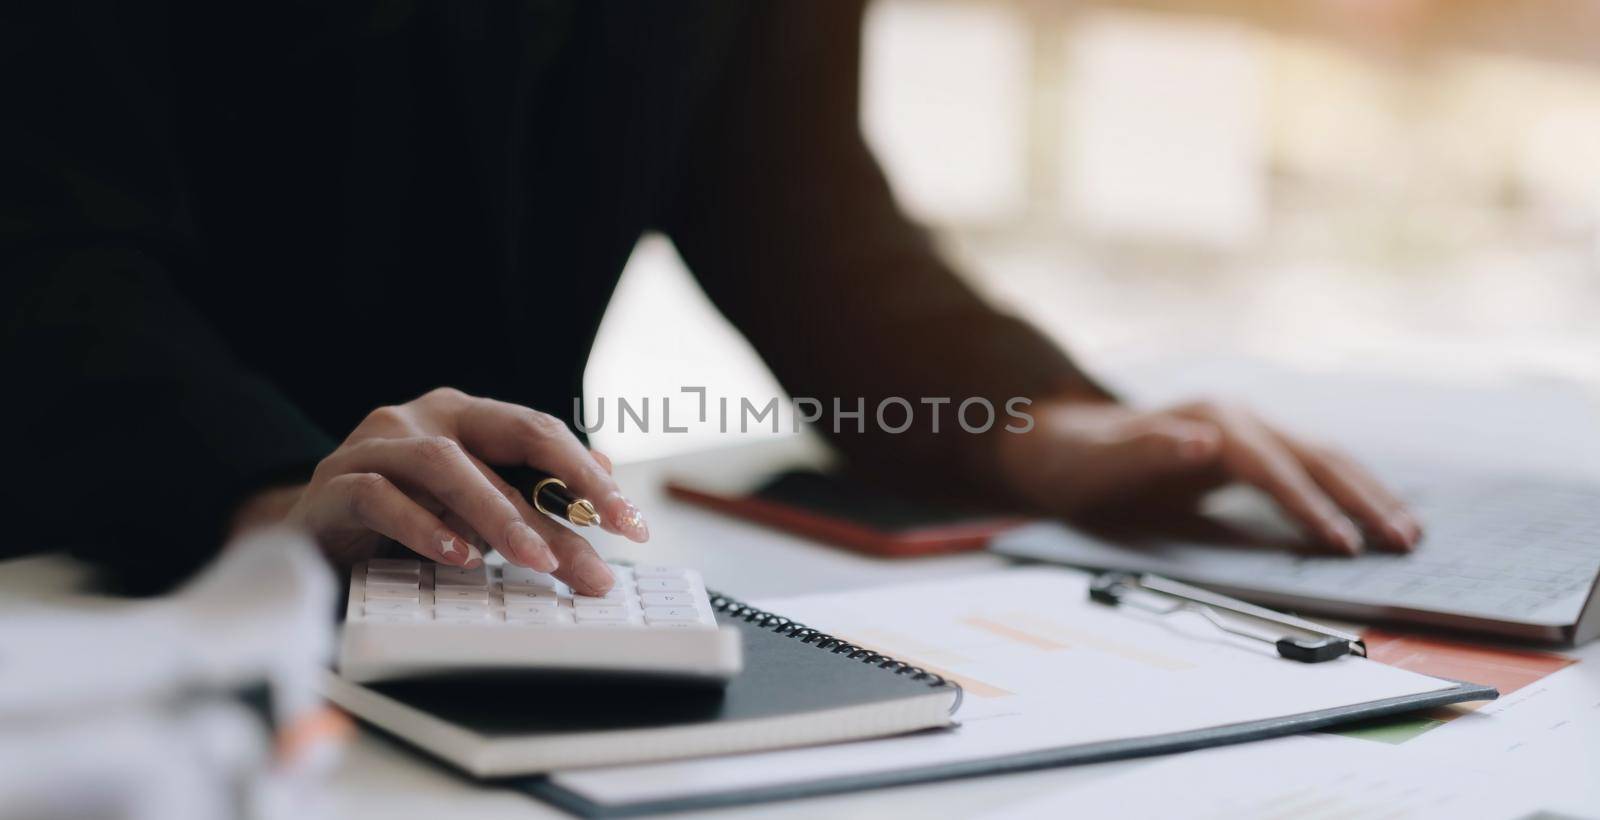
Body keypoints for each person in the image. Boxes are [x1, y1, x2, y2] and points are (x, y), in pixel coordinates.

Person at [3, 1, 1419, 596]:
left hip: (504, 591)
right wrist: (262, 496)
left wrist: (1036, 423)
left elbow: (809, 226)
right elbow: (46, 247)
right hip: (106, 577)